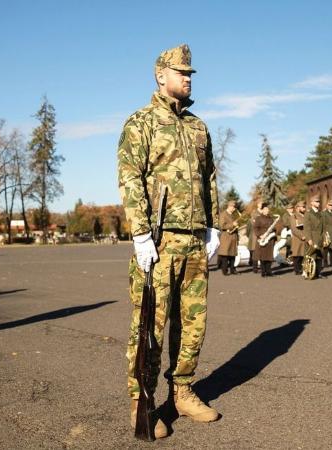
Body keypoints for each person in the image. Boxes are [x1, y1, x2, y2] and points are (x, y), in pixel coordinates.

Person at [117, 44, 221, 439]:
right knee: (150, 325)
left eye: (191, 73)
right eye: (181, 72)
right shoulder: (140, 123)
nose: (188, 78)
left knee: (193, 324)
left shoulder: (198, 127)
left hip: (194, 241)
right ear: (161, 75)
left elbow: (209, 179)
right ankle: (140, 401)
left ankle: (182, 391)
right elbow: (130, 178)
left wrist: (212, 226)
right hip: (158, 241)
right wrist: (141, 233)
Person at [302, 195, 325, 278]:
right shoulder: (308, 214)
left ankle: (317, 273)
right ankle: (308, 272)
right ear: (311, 203)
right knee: (311, 255)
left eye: (319, 202)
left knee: (319, 256)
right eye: (316, 202)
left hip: (320, 237)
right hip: (312, 236)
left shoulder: (320, 213)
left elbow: (323, 227)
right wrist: (309, 239)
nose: (318, 203)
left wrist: (324, 237)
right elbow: (307, 227)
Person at [253, 203, 277, 277]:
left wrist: (274, 232)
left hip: (270, 239)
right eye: (265, 209)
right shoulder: (258, 218)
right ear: (262, 210)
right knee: (262, 256)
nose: (267, 210)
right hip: (262, 239)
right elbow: (255, 228)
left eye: (268, 209)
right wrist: (260, 235)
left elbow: (274, 228)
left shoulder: (271, 218)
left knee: (269, 256)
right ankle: (263, 272)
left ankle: (269, 271)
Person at [217, 200, 240, 275]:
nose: (234, 209)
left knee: (233, 255)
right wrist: (232, 224)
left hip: (233, 237)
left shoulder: (233, 215)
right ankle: (225, 271)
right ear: (229, 206)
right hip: (226, 237)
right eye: (233, 207)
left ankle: (233, 270)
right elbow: (221, 226)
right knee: (225, 256)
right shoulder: (223, 214)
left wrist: (236, 225)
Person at [289, 201, 307, 276]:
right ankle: (297, 269)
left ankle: (302, 268)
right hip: (297, 238)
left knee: (303, 254)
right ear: (297, 208)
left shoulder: (305, 216)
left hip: (306, 237)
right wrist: (301, 236)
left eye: (304, 207)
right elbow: (294, 228)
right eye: (302, 207)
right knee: (297, 255)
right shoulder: (294, 216)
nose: (304, 208)